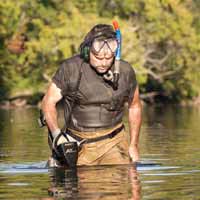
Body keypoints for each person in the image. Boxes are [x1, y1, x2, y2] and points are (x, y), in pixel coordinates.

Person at [41, 23, 142, 167]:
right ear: (87, 51)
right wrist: (57, 135)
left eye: (108, 58)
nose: (104, 63)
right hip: (78, 144)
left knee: (119, 182)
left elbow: (135, 107)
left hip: (114, 142)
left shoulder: (126, 71)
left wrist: (133, 145)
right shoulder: (71, 69)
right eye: (99, 58)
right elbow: (48, 102)